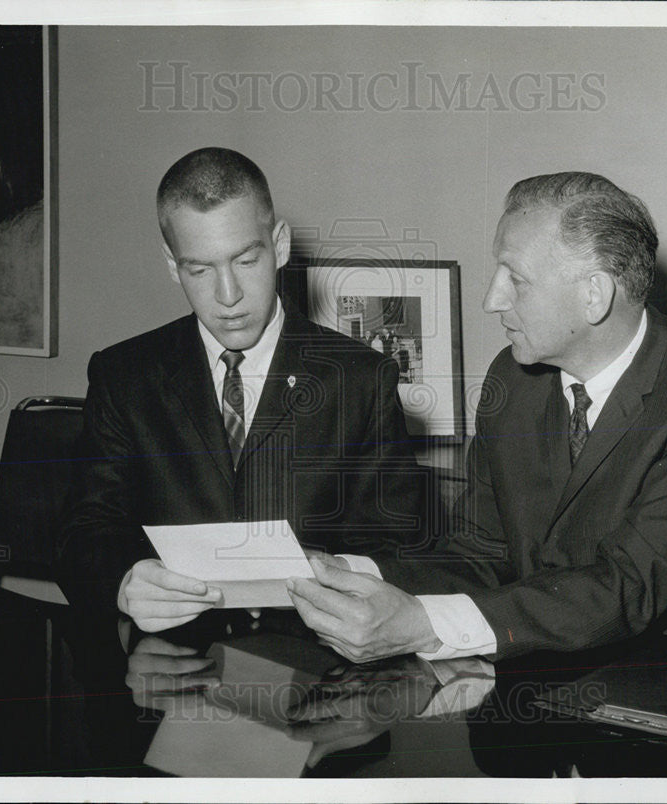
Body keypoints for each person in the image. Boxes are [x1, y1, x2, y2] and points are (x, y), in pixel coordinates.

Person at [287, 172, 667, 663]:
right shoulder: (512, 378)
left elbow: (629, 586)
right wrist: (340, 572)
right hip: (536, 659)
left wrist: (427, 627)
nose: (491, 300)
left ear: (594, 295)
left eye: (514, 278)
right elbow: (478, 555)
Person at [57, 147, 426, 632]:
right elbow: (83, 532)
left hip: (315, 663)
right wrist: (125, 582)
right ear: (171, 264)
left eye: (246, 260)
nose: (228, 296)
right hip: (168, 662)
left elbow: (400, 548)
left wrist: (328, 575)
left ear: (280, 244)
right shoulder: (123, 375)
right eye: (199, 269)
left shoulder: (360, 378)